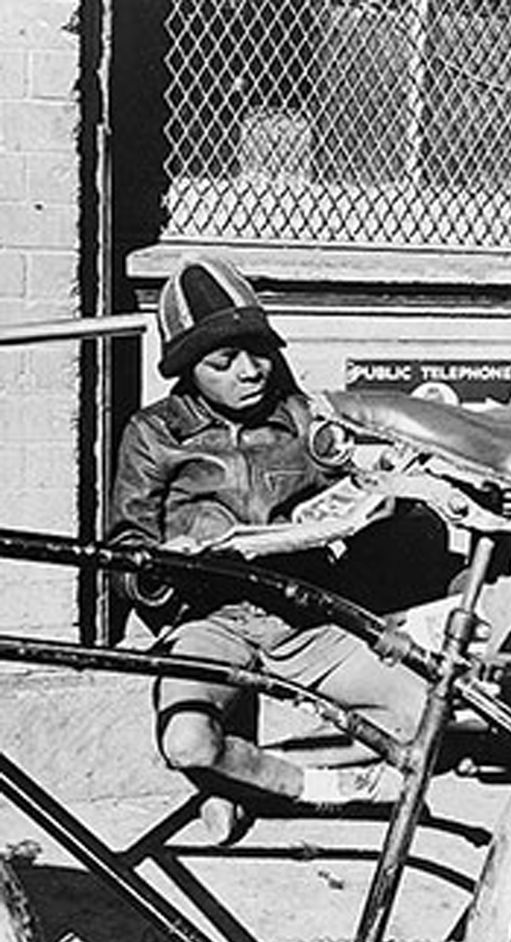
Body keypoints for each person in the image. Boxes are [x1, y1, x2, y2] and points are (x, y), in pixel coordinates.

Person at [109, 256, 425, 843]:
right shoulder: (154, 433)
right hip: (212, 623)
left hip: (304, 615)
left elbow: (351, 494)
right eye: (222, 363)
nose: (250, 372)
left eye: (259, 352)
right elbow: (125, 552)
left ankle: (244, 779)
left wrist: (376, 496)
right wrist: (165, 565)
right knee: (188, 741)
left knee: (420, 719)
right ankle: (287, 785)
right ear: (186, 369)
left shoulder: (303, 417)